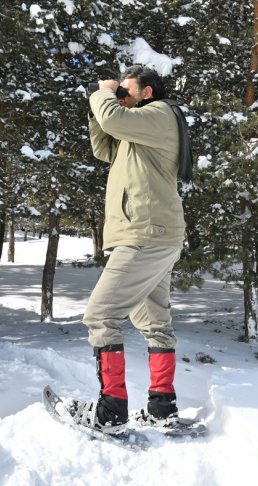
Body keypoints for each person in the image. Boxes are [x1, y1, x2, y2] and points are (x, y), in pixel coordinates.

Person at [69, 65, 192, 435]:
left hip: (145, 235)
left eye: (127, 88)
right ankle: (161, 407)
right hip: (153, 235)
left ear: (147, 92)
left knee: (101, 316)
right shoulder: (136, 129)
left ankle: (111, 412)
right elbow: (104, 145)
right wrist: (100, 107)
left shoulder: (160, 113)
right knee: (156, 323)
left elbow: (112, 118)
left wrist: (104, 94)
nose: (121, 92)